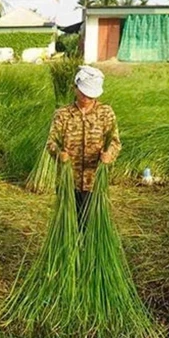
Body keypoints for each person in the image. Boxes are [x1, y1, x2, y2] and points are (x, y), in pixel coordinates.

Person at [47, 65, 122, 227]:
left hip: (94, 181)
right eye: (84, 93)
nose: (87, 98)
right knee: (68, 224)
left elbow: (115, 142)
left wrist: (109, 155)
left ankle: (89, 250)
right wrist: (59, 154)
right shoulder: (63, 114)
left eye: (91, 95)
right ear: (75, 88)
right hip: (68, 181)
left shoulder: (105, 113)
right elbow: (51, 142)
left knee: (92, 224)